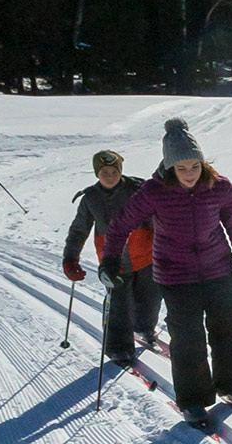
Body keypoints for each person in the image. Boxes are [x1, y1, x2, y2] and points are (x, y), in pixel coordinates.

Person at [100, 118, 232, 428]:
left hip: (218, 268)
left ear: (202, 163)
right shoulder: (154, 191)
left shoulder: (220, 186)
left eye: (194, 167)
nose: (189, 174)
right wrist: (110, 259)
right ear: (170, 167)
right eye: (181, 169)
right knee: (187, 337)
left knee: (229, 324)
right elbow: (121, 224)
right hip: (175, 273)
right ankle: (195, 400)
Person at [63, 150, 163, 365]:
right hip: (114, 260)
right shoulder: (90, 198)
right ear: (97, 174)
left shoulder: (138, 189)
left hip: (146, 255)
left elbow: (157, 217)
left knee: (150, 298)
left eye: (114, 171)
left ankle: (145, 328)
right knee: (119, 303)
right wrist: (71, 259)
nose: (110, 176)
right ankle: (118, 347)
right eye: (104, 172)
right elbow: (79, 230)